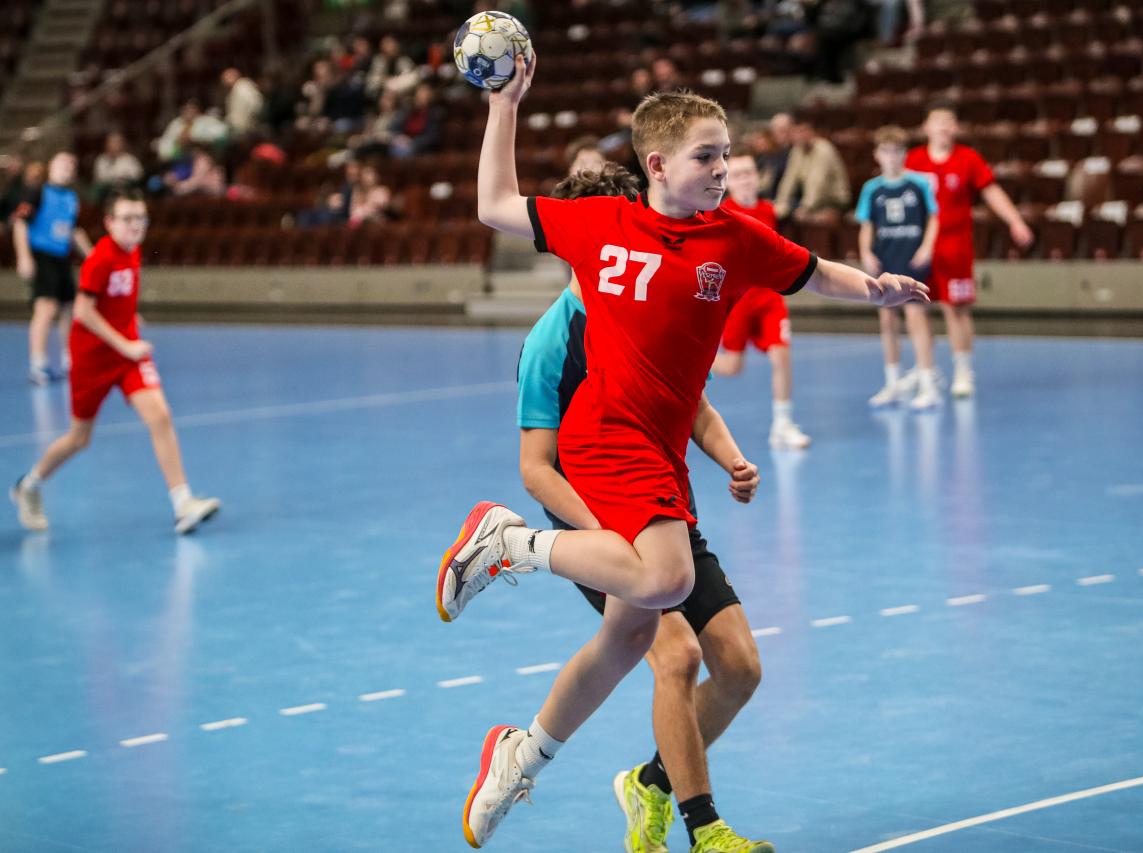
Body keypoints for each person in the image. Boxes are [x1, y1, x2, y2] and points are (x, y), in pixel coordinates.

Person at [436, 53, 927, 850]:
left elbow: (810, 272)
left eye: (726, 153)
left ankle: (528, 756)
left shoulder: (732, 239)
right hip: (603, 447)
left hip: (662, 464)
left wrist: (876, 288)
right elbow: (494, 203)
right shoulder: (598, 236)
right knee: (669, 607)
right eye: (706, 155)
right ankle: (512, 546)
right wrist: (505, 105)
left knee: (656, 645)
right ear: (657, 165)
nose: (722, 168)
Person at [518, 161, 772, 852]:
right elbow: (536, 470)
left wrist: (732, 458)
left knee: (741, 666)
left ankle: (649, 782)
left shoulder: (648, 308)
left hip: (665, 513)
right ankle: (705, 828)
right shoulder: (550, 342)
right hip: (599, 529)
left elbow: (694, 405)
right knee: (677, 655)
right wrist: (609, 539)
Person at [9, 190, 221, 535]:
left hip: (127, 355)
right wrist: (125, 343)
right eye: (127, 219)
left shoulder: (132, 251)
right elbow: (83, 311)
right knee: (79, 438)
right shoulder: (100, 259)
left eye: (140, 218)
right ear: (109, 223)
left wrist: (130, 323)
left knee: (160, 415)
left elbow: (117, 298)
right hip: (93, 359)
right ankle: (29, 485)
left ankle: (183, 504)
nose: (135, 225)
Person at [905, 99, 1033, 397]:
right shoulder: (913, 160)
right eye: (938, 121)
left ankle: (963, 369)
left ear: (956, 127)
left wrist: (1015, 221)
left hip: (955, 247)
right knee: (916, 307)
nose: (944, 127)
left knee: (956, 309)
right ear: (926, 127)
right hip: (919, 247)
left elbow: (991, 191)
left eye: (949, 122)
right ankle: (926, 369)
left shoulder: (967, 158)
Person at [711, 154, 810, 448]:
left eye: (749, 173)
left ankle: (783, 424)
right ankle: (688, 359)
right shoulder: (720, 213)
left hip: (768, 298)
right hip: (737, 301)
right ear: (728, 181)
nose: (745, 179)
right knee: (732, 367)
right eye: (738, 174)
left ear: (757, 177)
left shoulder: (768, 210)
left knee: (782, 355)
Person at [856, 125, 941, 409]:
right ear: (877, 155)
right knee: (887, 319)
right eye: (886, 151)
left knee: (916, 316)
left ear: (904, 154)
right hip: (886, 258)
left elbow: (933, 217)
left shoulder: (919, 184)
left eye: (896, 151)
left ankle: (927, 382)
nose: (891, 157)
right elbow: (867, 224)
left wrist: (927, 248)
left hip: (912, 257)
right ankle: (893, 382)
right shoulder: (872, 188)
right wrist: (866, 252)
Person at [12, 151, 93, 384]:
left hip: (61, 258)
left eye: (71, 165)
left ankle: (70, 360)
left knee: (69, 308)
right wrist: (24, 257)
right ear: (51, 167)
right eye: (62, 163)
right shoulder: (37, 192)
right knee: (46, 308)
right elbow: (20, 223)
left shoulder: (71, 198)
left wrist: (93, 256)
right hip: (42, 255)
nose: (67, 167)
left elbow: (73, 231)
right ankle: (38, 364)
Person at [772, 119, 850, 224]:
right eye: (797, 132)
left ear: (811, 132)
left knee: (799, 215)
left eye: (803, 131)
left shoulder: (823, 149)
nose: (800, 136)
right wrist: (780, 202)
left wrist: (806, 208)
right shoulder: (797, 150)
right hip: (812, 200)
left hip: (833, 200)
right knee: (782, 211)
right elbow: (789, 179)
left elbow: (817, 182)